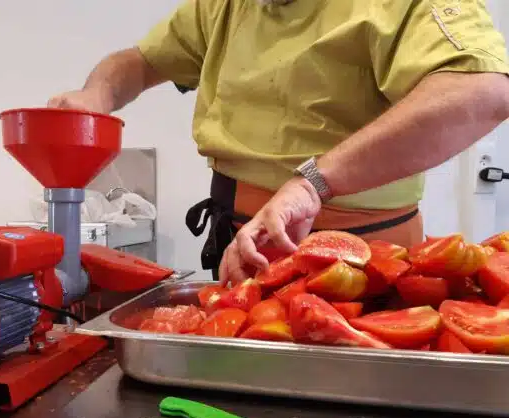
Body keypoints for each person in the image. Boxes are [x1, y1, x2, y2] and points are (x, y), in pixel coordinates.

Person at [48, 0, 509, 286]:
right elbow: (140, 61)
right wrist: (97, 94)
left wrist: (313, 183)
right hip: (241, 249)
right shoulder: (226, 6)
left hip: (366, 264)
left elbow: (483, 92)